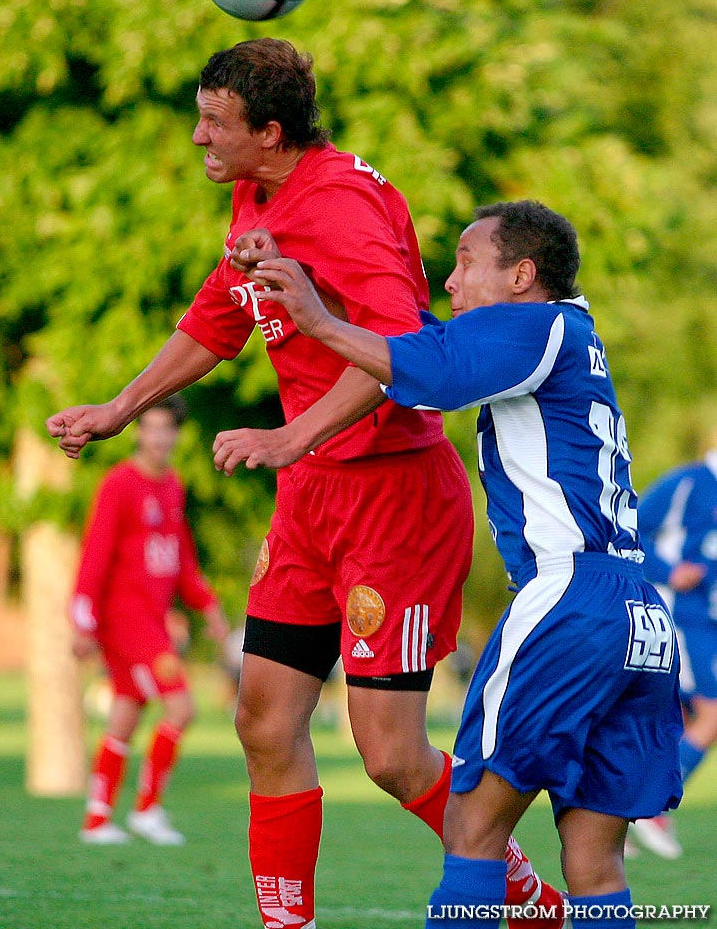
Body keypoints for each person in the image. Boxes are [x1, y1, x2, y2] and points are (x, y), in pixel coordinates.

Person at [47, 40, 562, 928]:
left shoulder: (343, 209)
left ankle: (535, 904)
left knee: (393, 758)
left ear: (270, 131)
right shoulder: (256, 195)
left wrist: (292, 436)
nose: (199, 136)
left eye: (216, 122)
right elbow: (219, 318)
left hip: (391, 497)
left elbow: (401, 352)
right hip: (312, 502)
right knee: (262, 720)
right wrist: (122, 406)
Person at [246, 199, 684, 929]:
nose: (450, 281)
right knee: (593, 863)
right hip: (638, 613)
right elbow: (419, 335)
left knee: (473, 829)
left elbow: (438, 375)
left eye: (467, 262)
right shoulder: (568, 334)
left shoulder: (536, 326)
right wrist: (320, 277)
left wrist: (318, 322)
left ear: (521, 275)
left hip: (569, 598)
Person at [71, 395, 229, 845]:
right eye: (151, 427)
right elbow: (95, 555)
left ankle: (97, 818)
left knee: (125, 712)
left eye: (167, 429)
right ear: (138, 432)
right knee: (182, 706)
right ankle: (147, 809)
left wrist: (208, 606)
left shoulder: (172, 485)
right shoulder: (119, 484)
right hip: (125, 621)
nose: (159, 437)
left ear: (176, 435)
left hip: (154, 622)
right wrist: (82, 620)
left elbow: (181, 558)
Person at [628, 431, 717, 859]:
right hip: (682, 616)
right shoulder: (687, 483)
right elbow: (627, 530)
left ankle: (619, 811)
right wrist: (669, 569)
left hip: (708, 625)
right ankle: (652, 807)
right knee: (711, 714)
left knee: (671, 721)